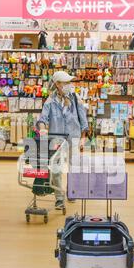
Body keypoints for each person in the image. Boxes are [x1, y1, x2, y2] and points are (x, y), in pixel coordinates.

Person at [37, 71, 88, 210]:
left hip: (74, 138)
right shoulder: (50, 101)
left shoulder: (75, 98)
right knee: (56, 169)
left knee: (74, 166)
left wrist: (83, 137)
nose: (69, 85)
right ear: (57, 84)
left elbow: (83, 119)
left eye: (69, 82)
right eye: (65, 82)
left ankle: (72, 191)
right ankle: (59, 198)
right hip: (57, 139)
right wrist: (42, 129)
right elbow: (42, 119)